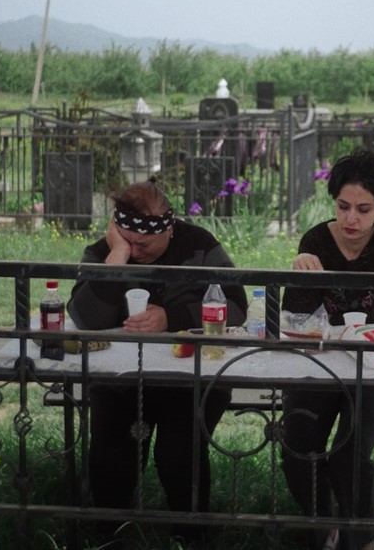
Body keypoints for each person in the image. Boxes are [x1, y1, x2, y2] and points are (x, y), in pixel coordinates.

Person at [67, 179, 247, 546]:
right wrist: (115, 258)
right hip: (121, 378)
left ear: (168, 229)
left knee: (180, 449)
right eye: (126, 240)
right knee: (110, 448)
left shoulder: (200, 245)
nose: (135, 250)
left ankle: (190, 534)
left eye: (143, 244)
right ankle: (109, 531)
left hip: (190, 378)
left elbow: (237, 307)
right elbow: (85, 318)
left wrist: (171, 317)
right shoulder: (105, 251)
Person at [281, 148, 374, 550]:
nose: (351, 219)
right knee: (297, 448)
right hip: (322, 359)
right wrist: (302, 272)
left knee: (349, 451)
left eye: (363, 209)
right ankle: (324, 528)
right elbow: (298, 318)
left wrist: (340, 324)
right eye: (343, 207)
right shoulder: (317, 239)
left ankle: (360, 541)